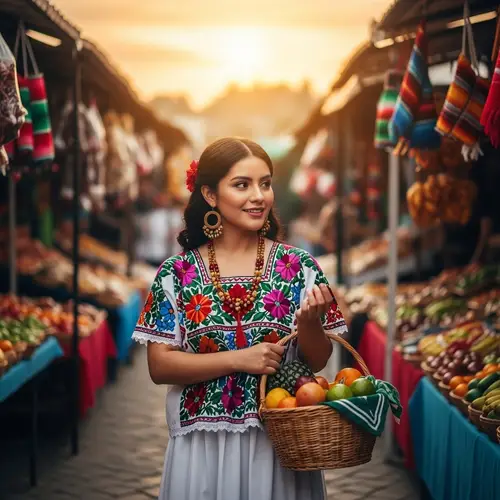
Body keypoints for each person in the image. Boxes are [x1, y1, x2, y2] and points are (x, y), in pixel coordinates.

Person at [132, 137, 347, 500]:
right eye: (241, 185)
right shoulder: (177, 272)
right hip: (201, 446)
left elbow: (317, 359)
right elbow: (159, 365)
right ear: (210, 195)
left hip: (281, 440)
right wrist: (239, 360)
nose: (258, 196)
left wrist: (310, 325)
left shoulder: (300, 267)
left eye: (265, 183)